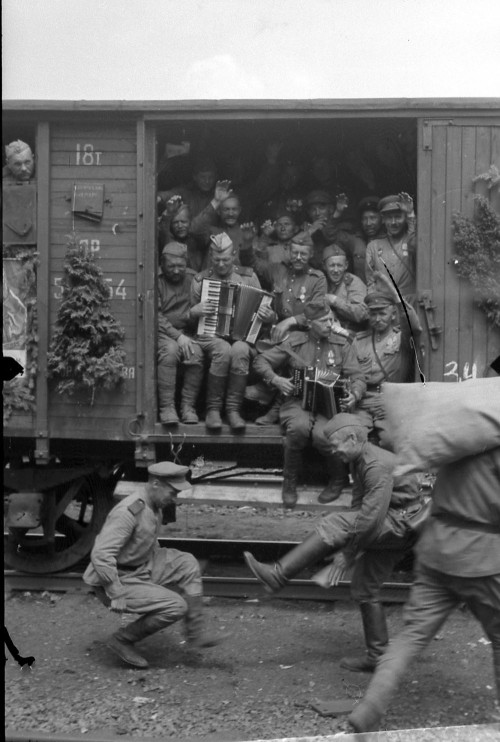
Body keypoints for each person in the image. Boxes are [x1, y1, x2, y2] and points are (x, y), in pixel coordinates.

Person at [244, 413, 424, 670]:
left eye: (337, 444)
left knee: (335, 522)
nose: (334, 451)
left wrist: (348, 553)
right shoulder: (358, 459)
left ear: (352, 438)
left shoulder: (376, 465)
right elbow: (360, 506)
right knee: (364, 589)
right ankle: (377, 657)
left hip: (402, 523)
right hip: (393, 522)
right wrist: (345, 544)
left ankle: (279, 575)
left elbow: (371, 520)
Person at [348, 446, 500, 732]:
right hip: (483, 559)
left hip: (435, 552)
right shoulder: (494, 451)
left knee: (410, 637)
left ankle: (370, 706)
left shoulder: (455, 443)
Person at [83, 461, 229, 669]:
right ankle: (122, 639)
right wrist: (116, 592)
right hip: (117, 579)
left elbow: (145, 540)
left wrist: (165, 564)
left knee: (187, 563)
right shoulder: (129, 511)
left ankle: (195, 634)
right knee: (176, 606)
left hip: (140, 566)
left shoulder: (153, 505)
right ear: (155, 484)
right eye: (172, 492)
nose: (174, 498)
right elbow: (101, 553)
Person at [252, 306, 366, 508]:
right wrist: (276, 380)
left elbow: (357, 376)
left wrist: (354, 395)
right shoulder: (295, 342)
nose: (330, 325)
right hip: (298, 401)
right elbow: (261, 360)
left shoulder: (341, 345)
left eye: (332, 320)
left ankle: (338, 480)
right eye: (324, 321)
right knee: (298, 429)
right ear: (311, 324)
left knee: (326, 436)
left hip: (329, 405)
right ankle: (289, 483)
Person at [190, 232, 274, 431]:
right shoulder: (200, 280)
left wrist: (269, 316)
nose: (220, 264)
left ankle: (233, 410)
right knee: (223, 349)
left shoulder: (248, 277)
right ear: (210, 257)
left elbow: (267, 318)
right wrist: (194, 312)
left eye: (226, 260)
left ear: (234, 255)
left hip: (242, 339)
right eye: (216, 260)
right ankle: (213, 410)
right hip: (209, 337)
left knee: (239, 350)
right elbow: (190, 321)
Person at [354, 272, 422, 444]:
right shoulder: (359, 341)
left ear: (393, 315)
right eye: (373, 314)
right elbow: (351, 374)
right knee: (352, 437)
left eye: (382, 313)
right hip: (362, 403)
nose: (377, 319)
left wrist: (394, 293)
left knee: (392, 441)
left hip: (391, 402)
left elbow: (413, 324)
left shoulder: (402, 339)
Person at [157, 242, 203, 425]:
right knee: (170, 350)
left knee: (196, 353)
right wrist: (177, 336)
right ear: (162, 265)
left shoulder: (193, 279)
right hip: (164, 333)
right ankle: (166, 408)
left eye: (180, 266)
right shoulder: (156, 280)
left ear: (186, 264)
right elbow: (156, 316)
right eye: (171, 266)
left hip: (187, 331)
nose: (176, 271)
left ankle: (187, 407)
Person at [296, 190, 365, 274]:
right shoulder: (305, 231)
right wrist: (309, 232)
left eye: (321, 208)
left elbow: (333, 236)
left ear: (331, 209)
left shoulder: (343, 227)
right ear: (308, 213)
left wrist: (336, 216)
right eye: (313, 210)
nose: (317, 213)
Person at [365, 193, 416, 302]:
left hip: (409, 305)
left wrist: (411, 215)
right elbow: (371, 282)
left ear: (405, 218)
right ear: (383, 220)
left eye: (398, 217)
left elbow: (414, 244)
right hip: (384, 307)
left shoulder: (410, 240)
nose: (393, 222)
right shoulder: (373, 246)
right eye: (389, 218)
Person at [323, 244, 369, 335]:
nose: (336, 270)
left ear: (346, 265)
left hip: (351, 334)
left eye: (339, 265)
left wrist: (335, 300)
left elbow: (361, 313)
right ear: (324, 266)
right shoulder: (321, 282)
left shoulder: (353, 282)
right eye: (332, 265)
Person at [158, 154, 217, 220]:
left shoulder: (217, 195)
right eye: (203, 177)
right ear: (195, 177)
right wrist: (159, 197)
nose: (207, 181)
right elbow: (167, 194)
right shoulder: (186, 192)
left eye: (211, 177)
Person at [158, 196, 207, 272]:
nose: (180, 226)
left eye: (183, 222)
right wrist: (168, 214)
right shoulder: (169, 241)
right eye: (175, 222)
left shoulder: (197, 240)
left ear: (190, 222)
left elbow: (203, 220)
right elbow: (164, 233)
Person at [354, 196, 384, 283]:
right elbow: (333, 237)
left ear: (382, 219)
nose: (368, 223)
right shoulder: (356, 241)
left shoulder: (390, 240)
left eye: (373, 218)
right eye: (364, 219)